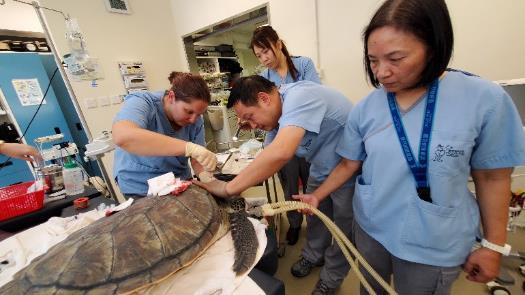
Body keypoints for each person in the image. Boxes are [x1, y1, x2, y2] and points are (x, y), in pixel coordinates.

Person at [294, 0, 525, 294]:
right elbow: (349, 164)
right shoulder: (367, 108)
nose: (381, 73)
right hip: (371, 229)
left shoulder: (483, 100)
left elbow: (493, 178)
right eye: (373, 60)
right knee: (370, 287)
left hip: (434, 242)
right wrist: (317, 195)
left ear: (433, 46)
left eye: (395, 58)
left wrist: (493, 246)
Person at [194, 75, 355, 295]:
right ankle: (312, 256)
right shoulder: (277, 121)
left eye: (250, 117)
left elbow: (280, 154)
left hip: (348, 169)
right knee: (315, 216)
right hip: (321, 166)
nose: (252, 126)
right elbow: (265, 158)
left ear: (264, 99)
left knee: (344, 230)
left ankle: (331, 277)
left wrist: (227, 189)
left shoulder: (300, 97)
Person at [251, 25, 321, 246]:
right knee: (290, 186)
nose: (264, 58)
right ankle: (294, 224)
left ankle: (316, 229)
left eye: (266, 51)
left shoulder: (303, 65)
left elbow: (314, 96)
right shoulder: (264, 77)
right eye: (258, 55)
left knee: (313, 186)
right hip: (282, 140)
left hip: (309, 139)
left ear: (278, 44)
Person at [113, 72, 217, 198]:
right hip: (141, 186)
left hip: (178, 181)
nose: (193, 120)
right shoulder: (143, 102)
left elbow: (196, 160)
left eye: (199, 114)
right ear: (171, 97)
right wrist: (189, 148)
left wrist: (204, 176)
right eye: (188, 111)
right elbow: (123, 137)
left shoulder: (195, 121)